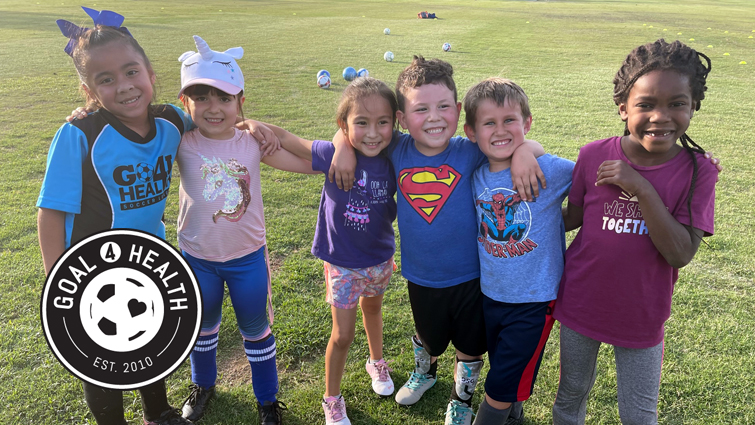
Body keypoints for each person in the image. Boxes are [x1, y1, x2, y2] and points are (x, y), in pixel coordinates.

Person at [329, 56, 546, 425]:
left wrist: (525, 151)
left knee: (470, 346)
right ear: (400, 118)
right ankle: (425, 374)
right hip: (421, 275)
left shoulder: (470, 149)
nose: (433, 117)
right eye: (421, 109)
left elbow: (519, 142)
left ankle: (460, 399)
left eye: (443, 106)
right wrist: (341, 146)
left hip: (472, 277)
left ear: (458, 110)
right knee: (428, 336)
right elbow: (350, 130)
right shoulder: (395, 148)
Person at [37, 8, 194, 425]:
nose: (124, 87)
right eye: (106, 80)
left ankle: (157, 412)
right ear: (89, 90)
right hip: (90, 267)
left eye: (131, 72)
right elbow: (51, 211)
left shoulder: (172, 121)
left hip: (149, 259)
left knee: (147, 337)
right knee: (102, 353)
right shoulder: (80, 133)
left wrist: (254, 129)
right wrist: (58, 279)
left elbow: (217, 125)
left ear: (150, 72)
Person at [552, 39, 717, 425]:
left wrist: (641, 188)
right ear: (624, 108)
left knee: (639, 414)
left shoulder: (699, 171)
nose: (660, 116)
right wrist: (514, 216)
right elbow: (570, 218)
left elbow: (679, 253)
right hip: (581, 300)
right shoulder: (594, 154)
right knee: (570, 395)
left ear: (694, 106)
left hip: (642, 311)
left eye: (677, 103)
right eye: (645, 104)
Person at [174, 36, 314, 425]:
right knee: (201, 329)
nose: (213, 108)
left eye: (224, 98)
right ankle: (203, 385)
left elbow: (300, 159)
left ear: (240, 102)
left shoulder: (253, 141)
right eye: (201, 97)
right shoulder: (180, 141)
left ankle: (267, 401)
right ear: (185, 103)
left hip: (247, 259)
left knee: (256, 331)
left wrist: (341, 164)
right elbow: (137, 129)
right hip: (196, 258)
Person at [266, 76, 399, 425]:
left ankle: (376, 361)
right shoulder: (332, 154)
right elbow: (284, 141)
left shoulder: (396, 157)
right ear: (344, 124)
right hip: (342, 264)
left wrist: (344, 139)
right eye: (361, 123)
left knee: (374, 311)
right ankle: (332, 398)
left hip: (381, 258)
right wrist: (252, 126)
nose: (373, 133)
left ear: (395, 122)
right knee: (342, 335)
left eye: (382, 122)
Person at [461, 78, 575, 425]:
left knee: (497, 387)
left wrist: (528, 151)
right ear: (471, 131)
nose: (500, 130)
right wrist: (527, 148)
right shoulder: (475, 174)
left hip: (534, 302)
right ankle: (514, 417)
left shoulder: (549, 170)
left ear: (526, 124)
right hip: (490, 296)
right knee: (506, 374)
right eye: (489, 123)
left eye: (510, 120)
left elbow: (594, 172)